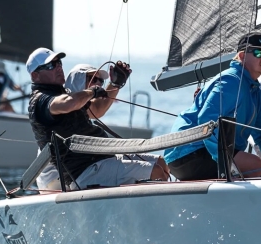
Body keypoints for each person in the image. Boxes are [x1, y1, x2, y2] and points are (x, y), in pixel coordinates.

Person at [26, 48, 170, 190]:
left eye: (59, 63)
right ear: (35, 75)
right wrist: (92, 91)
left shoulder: (63, 94)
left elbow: (97, 109)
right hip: (86, 172)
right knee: (156, 171)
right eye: (50, 65)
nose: (58, 68)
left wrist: (115, 84)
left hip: (101, 161)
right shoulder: (40, 100)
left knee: (161, 163)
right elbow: (68, 103)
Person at [164, 31, 261, 180]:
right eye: (259, 53)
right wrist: (224, 161)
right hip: (188, 151)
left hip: (209, 152)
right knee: (255, 165)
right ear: (241, 56)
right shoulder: (230, 81)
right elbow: (206, 121)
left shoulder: (257, 94)